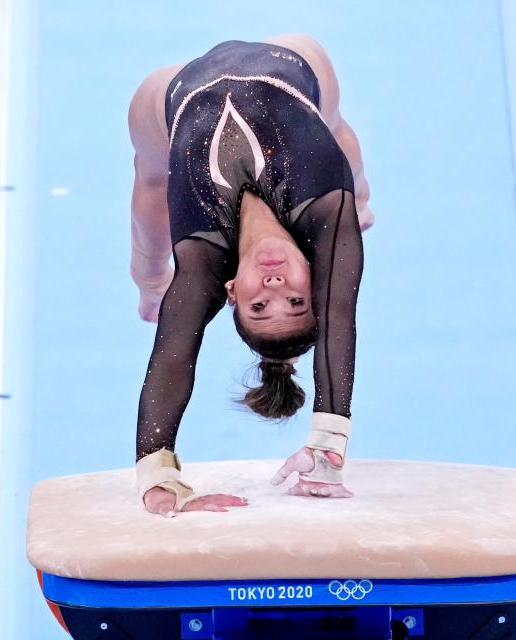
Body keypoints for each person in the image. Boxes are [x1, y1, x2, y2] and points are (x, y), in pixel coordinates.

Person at [127, 35, 374, 517]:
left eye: (259, 306)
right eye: (298, 302)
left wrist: (158, 478)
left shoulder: (203, 257)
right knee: (336, 136)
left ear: (231, 292)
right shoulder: (325, 209)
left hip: (171, 98)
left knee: (153, 181)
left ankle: (149, 284)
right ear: (315, 274)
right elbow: (341, 316)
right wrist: (328, 444)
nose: (276, 289)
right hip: (290, 58)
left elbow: (174, 354)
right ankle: (365, 199)